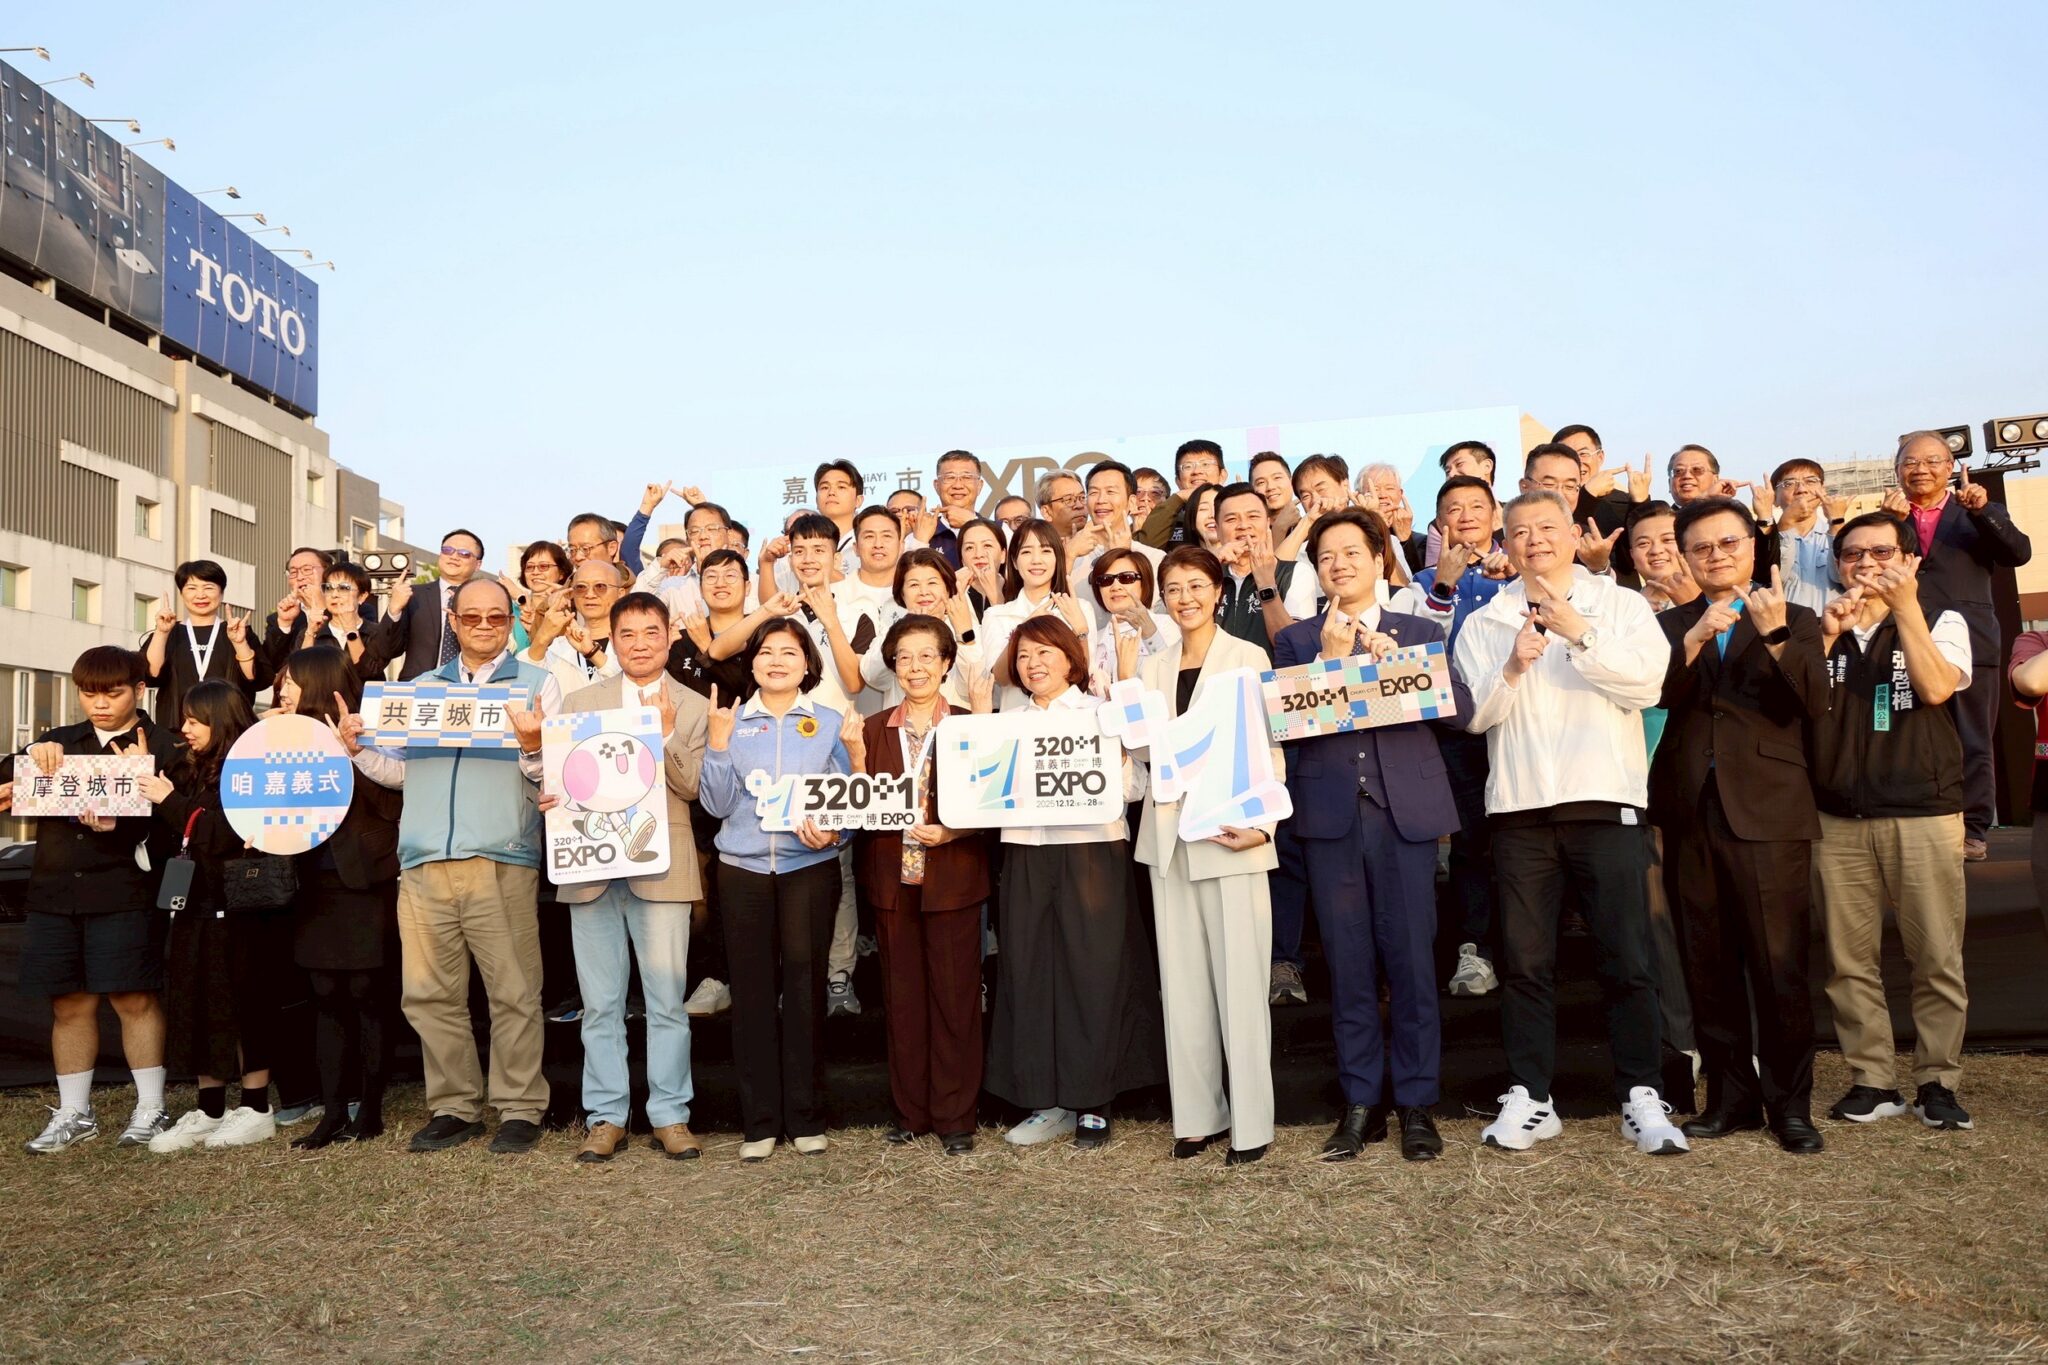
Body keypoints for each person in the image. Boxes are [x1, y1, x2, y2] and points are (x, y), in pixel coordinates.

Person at [1454, 490, 1689, 1157]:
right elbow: (1475, 718)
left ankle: (1641, 1092)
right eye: (1520, 531)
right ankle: (1531, 1095)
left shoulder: (1620, 604)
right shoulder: (1486, 621)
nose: (1535, 540)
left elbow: (1646, 686)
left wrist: (1579, 631)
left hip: (1605, 801)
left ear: (1571, 533)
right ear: (1505, 543)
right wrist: (1514, 664)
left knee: (1627, 956)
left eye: (1547, 527)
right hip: (1519, 811)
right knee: (1526, 962)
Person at [1274, 510, 1468, 1161]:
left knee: (1412, 961)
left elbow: (1461, 711)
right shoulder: (1297, 640)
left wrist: (1405, 666)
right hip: (1330, 818)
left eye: (1352, 551)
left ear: (1379, 558)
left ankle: (1417, 1102)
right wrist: (1331, 663)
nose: (1339, 564)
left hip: (1404, 816)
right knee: (1349, 963)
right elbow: (1286, 727)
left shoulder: (1419, 631)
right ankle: (1360, 1101)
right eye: (1326, 555)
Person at [341, 577, 559, 1155]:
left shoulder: (538, 684)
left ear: (511, 622)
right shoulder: (419, 689)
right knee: (428, 994)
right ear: (454, 622)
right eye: (472, 617)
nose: (484, 626)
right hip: (422, 859)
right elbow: (402, 772)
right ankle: (454, 1106)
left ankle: (519, 1107)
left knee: (514, 991)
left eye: (496, 617)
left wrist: (534, 746)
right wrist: (359, 751)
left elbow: (554, 774)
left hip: (500, 856)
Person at [1650, 496, 1828, 1154]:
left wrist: (1775, 635)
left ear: (1754, 546)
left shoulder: (1795, 616)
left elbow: (1813, 702)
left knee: (1779, 965)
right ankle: (1730, 1099)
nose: (1716, 555)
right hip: (1689, 809)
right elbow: (1653, 696)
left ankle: (1791, 1105)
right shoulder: (1669, 625)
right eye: (1701, 547)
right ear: (1686, 558)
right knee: (1707, 962)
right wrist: (1693, 640)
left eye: (1729, 542)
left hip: (1769, 809)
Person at [1809, 514, 1974, 1130]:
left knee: (1935, 955)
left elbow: (1936, 689)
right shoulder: (1821, 623)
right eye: (1853, 554)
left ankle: (1938, 1080)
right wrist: (1827, 639)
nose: (1866, 563)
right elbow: (1793, 706)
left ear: (1910, 560)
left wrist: (1905, 610)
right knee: (1848, 959)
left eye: (1882, 552)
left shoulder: (1941, 618)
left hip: (1923, 810)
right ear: (1837, 565)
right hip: (1836, 816)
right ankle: (1872, 1079)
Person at [984, 616, 1160, 1148]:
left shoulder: (1099, 712)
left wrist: (1119, 748)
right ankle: (1046, 1101)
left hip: (1092, 851)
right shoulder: (1006, 722)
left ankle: (1092, 1101)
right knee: (1029, 971)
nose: (1032, 664)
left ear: (1070, 658)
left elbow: (1134, 788)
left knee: (1093, 975)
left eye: (1044, 652)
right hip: (1025, 851)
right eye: (1022, 656)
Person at [1137, 547, 1285, 1164]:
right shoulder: (1150, 666)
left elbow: (1271, 747)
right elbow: (1144, 753)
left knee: (1241, 986)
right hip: (1170, 839)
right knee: (1183, 986)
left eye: (1196, 585)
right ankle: (1198, 1116)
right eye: (1173, 588)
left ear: (1219, 591)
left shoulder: (1248, 657)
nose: (1185, 598)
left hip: (1232, 835)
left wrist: (1264, 826)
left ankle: (1251, 1124)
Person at [553, 592, 712, 1163]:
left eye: (651, 633)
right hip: (590, 864)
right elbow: (558, 778)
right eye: (628, 634)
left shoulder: (693, 704)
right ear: (612, 640)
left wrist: (666, 735)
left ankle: (670, 1114)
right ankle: (606, 1117)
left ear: (669, 637)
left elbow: (695, 788)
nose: (640, 644)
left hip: (660, 867)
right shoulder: (579, 702)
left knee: (666, 1002)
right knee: (600, 1004)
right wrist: (549, 793)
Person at [13, 646, 182, 1154]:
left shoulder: (166, 747)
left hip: (126, 890)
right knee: (68, 1002)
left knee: (133, 998)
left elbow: (180, 829)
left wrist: (122, 825)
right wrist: (30, 755)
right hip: (55, 891)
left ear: (140, 690)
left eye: (113, 693)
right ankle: (74, 1112)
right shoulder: (59, 743)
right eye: (89, 694)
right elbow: (11, 784)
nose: (100, 704)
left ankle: (151, 1107)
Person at [697, 619, 853, 1161]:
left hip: (808, 870)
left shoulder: (829, 722)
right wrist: (718, 745)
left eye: (790, 652)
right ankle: (759, 1122)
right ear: (752, 663)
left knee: (806, 991)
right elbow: (716, 805)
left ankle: (806, 1116)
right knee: (752, 995)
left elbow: (849, 799)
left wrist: (836, 832)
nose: (777, 661)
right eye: (767, 652)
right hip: (741, 872)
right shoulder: (731, 720)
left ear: (808, 664)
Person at [849, 615, 990, 1155]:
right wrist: (856, 761)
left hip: (953, 879)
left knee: (955, 1001)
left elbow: (995, 801)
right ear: (892, 664)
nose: (915, 667)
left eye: (927, 655)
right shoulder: (870, 729)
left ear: (946, 663)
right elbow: (858, 809)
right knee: (902, 999)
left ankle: (956, 1118)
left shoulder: (971, 725)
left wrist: (955, 830)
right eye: (904, 657)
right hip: (892, 880)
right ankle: (911, 1113)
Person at [138, 682, 289, 1151]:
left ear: (220, 720)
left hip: (241, 908)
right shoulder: (189, 769)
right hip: (193, 905)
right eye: (184, 719)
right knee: (197, 1004)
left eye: (195, 720)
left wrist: (168, 801)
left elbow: (224, 833)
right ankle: (209, 1108)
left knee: (245, 1005)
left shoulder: (250, 768)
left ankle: (256, 1106)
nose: (185, 728)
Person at [272, 649, 404, 1149]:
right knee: (325, 995)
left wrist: (352, 752)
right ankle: (331, 1112)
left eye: (290, 681)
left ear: (317, 681)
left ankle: (369, 1109)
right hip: (310, 884)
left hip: (364, 881)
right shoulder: (278, 736)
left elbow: (391, 804)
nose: (282, 690)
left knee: (367, 994)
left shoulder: (366, 727)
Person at [1390, 476, 1513, 997]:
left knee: (1522, 843)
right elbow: (1410, 657)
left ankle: (1524, 950)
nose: (1466, 515)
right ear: (1439, 522)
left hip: (1520, 724)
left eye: (1476, 506)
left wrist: (1516, 579)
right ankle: (1474, 950)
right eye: (1453, 508)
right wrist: (1443, 586)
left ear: (1496, 515)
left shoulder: (1523, 572)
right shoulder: (1417, 585)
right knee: (1470, 842)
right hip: (1455, 732)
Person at [1886, 431, 2032, 862]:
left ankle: (1973, 829)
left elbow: (2018, 553)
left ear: (1950, 468)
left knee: (1973, 738)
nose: (1921, 469)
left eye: (1932, 461)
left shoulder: (1978, 510)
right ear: (1897, 471)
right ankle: (1920, 821)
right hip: (1906, 638)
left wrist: (1983, 510)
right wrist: (1890, 524)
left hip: (1971, 639)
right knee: (1909, 735)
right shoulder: (1889, 517)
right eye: (1910, 462)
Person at [979, 519, 1098, 702]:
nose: (1036, 560)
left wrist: (1081, 631)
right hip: (1017, 716)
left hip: (1069, 716)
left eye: (1046, 551)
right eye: (1026, 552)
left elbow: (1083, 674)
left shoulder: (1079, 608)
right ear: (1014, 561)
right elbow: (1000, 678)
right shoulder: (996, 615)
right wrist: (1024, 628)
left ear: (1057, 558)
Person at [856, 548, 982, 710]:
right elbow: (872, 676)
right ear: (902, 594)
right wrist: (905, 630)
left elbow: (974, 685)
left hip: (952, 722)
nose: (923, 592)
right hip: (902, 723)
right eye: (914, 585)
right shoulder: (892, 630)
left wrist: (964, 636)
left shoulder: (965, 627)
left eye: (932, 583)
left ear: (948, 588)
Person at [143, 559, 265, 725]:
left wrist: (239, 643)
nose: (200, 595)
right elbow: (151, 676)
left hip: (228, 728)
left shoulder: (240, 632)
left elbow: (256, 679)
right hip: (177, 730)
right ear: (181, 593)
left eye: (208, 587)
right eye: (191, 588)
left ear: (221, 593)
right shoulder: (167, 633)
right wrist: (162, 633)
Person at [366, 529, 490, 679]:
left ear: (478, 564)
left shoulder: (485, 600)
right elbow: (386, 650)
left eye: (464, 553)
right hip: (418, 685)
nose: (454, 557)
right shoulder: (413, 595)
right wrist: (394, 610)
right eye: (447, 550)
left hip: (468, 685)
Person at [1213, 483, 1314, 657]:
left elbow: (1294, 646)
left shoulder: (1295, 573)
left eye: (1253, 516)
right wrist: (1210, 566)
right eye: (1231, 519)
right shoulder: (1208, 577)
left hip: (1272, 674)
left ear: (1268, 522)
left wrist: (1265, 583)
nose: (1243, 525)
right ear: (1217, 529)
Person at [526, 558, 627, 696]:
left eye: (600, 586)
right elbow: (526, 684)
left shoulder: (633, 642)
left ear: (620, 594)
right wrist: (542, 638)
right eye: (581, 588)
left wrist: (593, 654)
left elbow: (634, 688)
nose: (590, 595)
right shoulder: (558, 648)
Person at [1522, 444, 1625, 578]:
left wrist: (1599, 567)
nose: (1559, 494)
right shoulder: (1503, 538)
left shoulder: (1591, 541)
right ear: (1524, 487)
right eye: (1549, 484)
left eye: (1570, 486)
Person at [1087, 547, 1177, 688]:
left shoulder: (1166, 625)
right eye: (1105, 580)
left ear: (1144, 583)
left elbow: (1174, 678)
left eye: (1126, 578)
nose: (1115, 586)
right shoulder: (1093, 639)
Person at [1763, 459, 1844, 613]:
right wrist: (1785, 524)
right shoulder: (1764, 540)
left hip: (1834, 622)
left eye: (1810, 481)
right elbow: (1771, 580)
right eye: (1788, 484)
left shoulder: (1839, 532)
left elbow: (1843, 577)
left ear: (1823, 490)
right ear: (1774, 498)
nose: (1801, 489)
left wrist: (1837, 523)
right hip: (1782, 625)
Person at [1070, 459, 1165, 586]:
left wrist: (1118, 557)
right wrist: (1068, 556)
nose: (1101, 500)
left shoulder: (1155, 559)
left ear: (1131, 502)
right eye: (1093, 492)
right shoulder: (1071, 556)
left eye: (1110, 492)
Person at [259, 546, 336, 674]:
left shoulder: (348, 608)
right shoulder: (278, 618)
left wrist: (320, 606)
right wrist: (285, 625)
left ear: (328, 573)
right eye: (293, 572)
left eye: (307, 570)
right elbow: (270, 666)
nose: (299, 577)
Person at [1138, 439, 1227, 549]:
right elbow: (1145, 549)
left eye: (1205, 464)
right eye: (1187, 466)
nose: (1197, 471)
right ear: (1178, 481)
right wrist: (1178, 497)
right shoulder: (1168, 518)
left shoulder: (1234, 508)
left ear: (1222, 475)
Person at [1356, 464, 1427, 574]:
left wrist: (1406, 540)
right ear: (1359, 496)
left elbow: (1419, 580)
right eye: (1374, 489)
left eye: (1389, 488)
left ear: (1400, 494)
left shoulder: (1421, 542)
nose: (1382, 495)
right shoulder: (1353, 537)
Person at [925, 449, 986, 567]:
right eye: (950, 477)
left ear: (979, 486)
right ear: (937, 486)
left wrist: (972, 523)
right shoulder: (923, 534)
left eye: (967, 477)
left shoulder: (1001, 530)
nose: (958, 485)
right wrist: (920, 541)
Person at [512, 540, 572, 652]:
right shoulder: (511, 610)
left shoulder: (571, 606)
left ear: (561, 573)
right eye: (529, 567)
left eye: (543, 566)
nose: (535, 572)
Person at [957, 518, 1009, 621]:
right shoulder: (952, 595)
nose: (978, 554)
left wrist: (996, 597)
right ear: (962, 559)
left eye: (987, 545)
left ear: (1003, 555)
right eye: (969, 548)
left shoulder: (1019, 594)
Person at [1249, 451, 1298, 543]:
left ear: (1292, 482)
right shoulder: (1249, 534)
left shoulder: (1310, 528)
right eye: (1261, 482)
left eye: (1277, 478)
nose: (1270, 487)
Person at [1035, 469, 1088, 541]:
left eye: (1082, 497)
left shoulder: (1101, 544)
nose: (1079, 505)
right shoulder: (1036, 545)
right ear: (1046, 512)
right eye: (1068, 499)